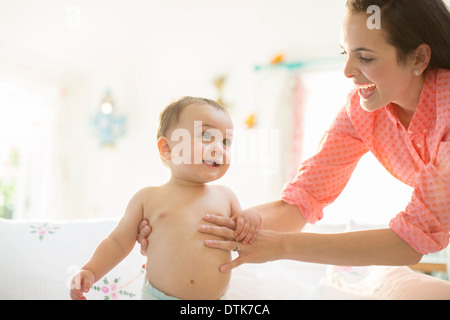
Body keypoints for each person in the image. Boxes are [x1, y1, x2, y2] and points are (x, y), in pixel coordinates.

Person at [138, 0, 450, 273]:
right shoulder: (363, 110)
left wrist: (283, 247)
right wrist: (194, 225)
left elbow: (410, 242)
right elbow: (301, 202)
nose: (347, 71)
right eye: (345, 53)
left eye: (365, 58)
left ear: (419, 59)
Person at [70, 97, 261, 300]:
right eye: (206, 135)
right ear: (167, 148)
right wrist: (91, 271)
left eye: (225, 142)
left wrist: (252, 219)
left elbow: (247, 240)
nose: (219, 148)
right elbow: (117, 242)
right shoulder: (148, 198)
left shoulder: (226, 196)